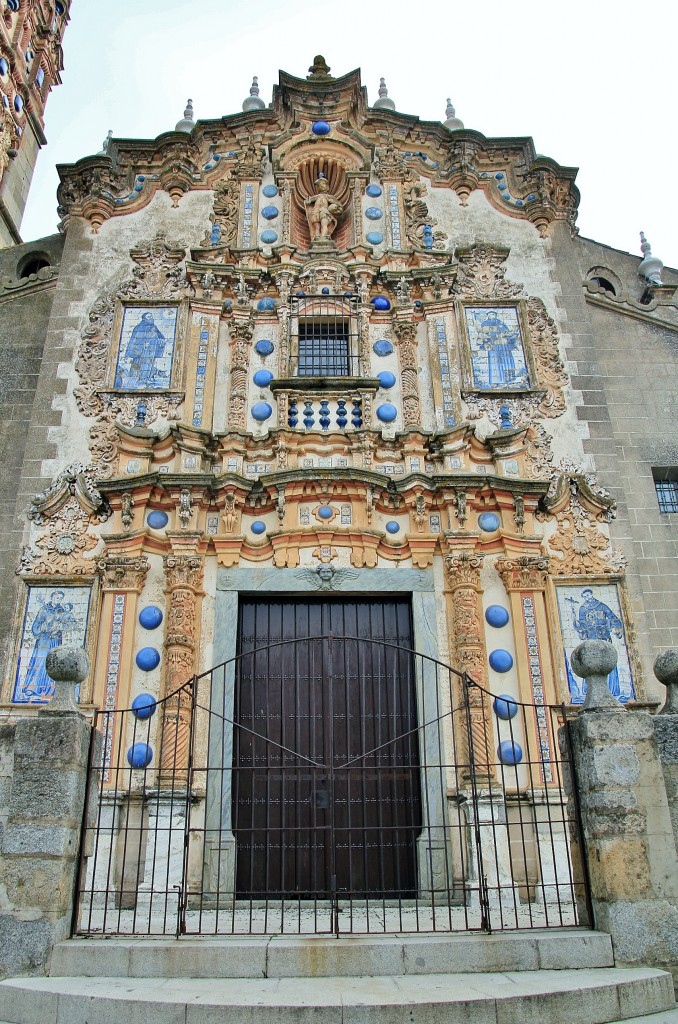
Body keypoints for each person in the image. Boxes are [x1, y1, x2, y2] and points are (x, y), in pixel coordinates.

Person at [19, 590, 79, 701]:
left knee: (54, 664)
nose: (59, 600)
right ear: (52, 597)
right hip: (43, 641)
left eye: (61, 598)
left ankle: (50, 691)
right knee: (40, 663)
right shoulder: (44, 610)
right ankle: (32, 688)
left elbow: (73, 624)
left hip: (55, 641)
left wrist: (60, 625)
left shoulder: (63, 611)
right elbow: (35, 627)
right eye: (57, 597)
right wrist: (44, 627)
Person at [569, 588, 625, 699]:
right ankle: (589, 691)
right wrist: (576, 623)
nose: (587, 598)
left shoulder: (602, 606)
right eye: (585, 596)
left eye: (588, 595)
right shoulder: (583, 609)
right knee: (589, 662)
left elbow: (612, 617)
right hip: (591, 637)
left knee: (608, 660)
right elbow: (582, 626)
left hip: (604, 636)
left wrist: (617, 627)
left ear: (591, 594)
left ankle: (613, 689)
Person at [474, 310, 524, 388]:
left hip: (504, 346)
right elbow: (483, 335)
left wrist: (511, 335)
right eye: (491, 314)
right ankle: (496, 381)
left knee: (506, 362)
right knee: (495, 363)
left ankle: (509, 379)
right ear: (488, 315)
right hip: (494, 347)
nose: (492, 315)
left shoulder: (500, 323)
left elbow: (507, 333)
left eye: (494, 314)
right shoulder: (485, 324)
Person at [121, 311, 167, 388]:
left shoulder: (153, 327)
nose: (151, 318)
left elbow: (161, 336)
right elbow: (135, 340)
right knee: (137, 365)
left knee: (148, 365)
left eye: (151, 316)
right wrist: (143, 344)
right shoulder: (138, 328)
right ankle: (135, 380)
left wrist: (161, 341)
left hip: (150, 352)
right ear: (144, 319)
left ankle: (145, 379)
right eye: (149, 317)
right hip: (140, 352)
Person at [304, 175, 343, 241]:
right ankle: (316, 238)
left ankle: (324, 237)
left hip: (324, 211)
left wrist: (333, 209)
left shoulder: (329, 197)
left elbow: (339, 207)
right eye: (319, 185)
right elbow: (308, 202)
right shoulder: (316, 197)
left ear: (327, 186)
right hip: (315, 211)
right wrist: (308, 201)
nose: (321, 186)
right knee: (316, 226)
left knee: (324, 224)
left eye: (323, 184)